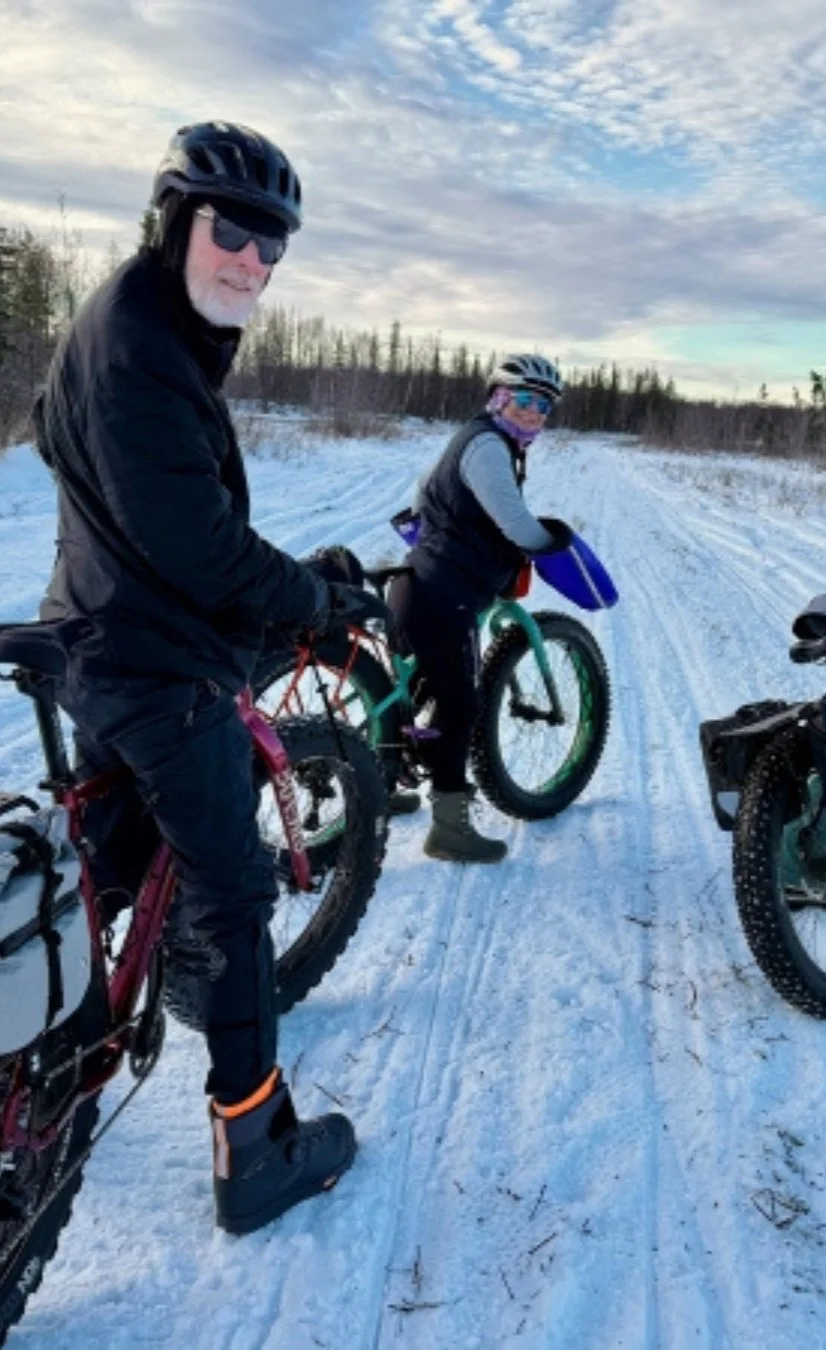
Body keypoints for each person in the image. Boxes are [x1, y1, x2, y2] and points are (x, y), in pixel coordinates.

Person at [33, 121, 381, 1234]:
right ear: (173, 219)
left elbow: (64, 443)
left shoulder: (132, 325)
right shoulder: (145, 345)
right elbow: (197, 545)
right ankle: (255, 1143)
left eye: (272, 245)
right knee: (233, 894)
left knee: (108, 860)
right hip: (154, 668)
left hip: (93, 637)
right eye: (232, 228)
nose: (253, 260)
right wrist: (312, 599)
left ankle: (52, 1039)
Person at [389, 354, 568, 863]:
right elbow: (513, 520)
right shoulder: (489, 447)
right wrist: (551, 544)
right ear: (498, 397)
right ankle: (448, 829)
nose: (535, 413)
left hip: (421, 582)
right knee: (460, 705)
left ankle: (377, 783)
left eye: (545, 407)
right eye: (526, 400)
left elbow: (421, 489)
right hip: (448, 591)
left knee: (412, 689)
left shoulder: (476, 437)